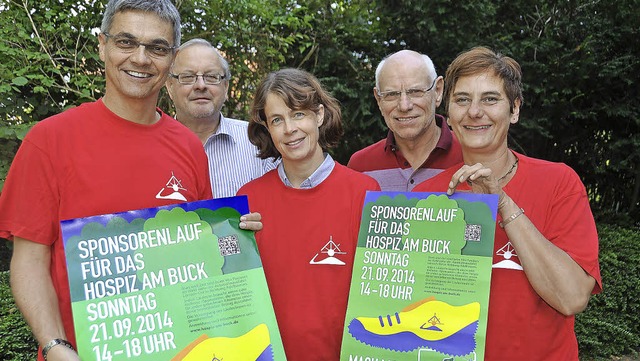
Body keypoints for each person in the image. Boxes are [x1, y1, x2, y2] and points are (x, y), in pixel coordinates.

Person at [0, 1, 260, 360]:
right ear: (102, 46)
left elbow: (200, 254)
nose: (140, 58)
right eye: (126, 42)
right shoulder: (49, 140)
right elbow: (28, 260)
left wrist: (236, 234)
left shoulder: (187, 145)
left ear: (170, 60)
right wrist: (54, 345)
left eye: (156, 47)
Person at [413, 46, 602, 360]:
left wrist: (502, 203)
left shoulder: (559, 183)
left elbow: (571, 298)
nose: (474, 111)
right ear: (448, 114)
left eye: (490, 99)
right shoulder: (426, 197)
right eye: (462, 100)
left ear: (514, 110)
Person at [237, 68, 380, 360]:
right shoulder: (248, 199)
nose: (289, 128)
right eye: (277, 120)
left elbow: (380, 293)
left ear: (319, 115)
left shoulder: (365, 192)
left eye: (298, 114)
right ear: (267, 128)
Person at [166, 38, 276, 198]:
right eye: (188, 77)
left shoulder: (259, 141)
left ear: (225, 87)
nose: (200, 85)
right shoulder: (148, 146)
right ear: (170, 86)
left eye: (211, 76)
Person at [347, 49, 462, 191]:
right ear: (378, 99)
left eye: (415, 92)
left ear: (438, 91)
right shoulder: (361, 166)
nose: (404, 106)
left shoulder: (470, 157)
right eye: (392, 94)